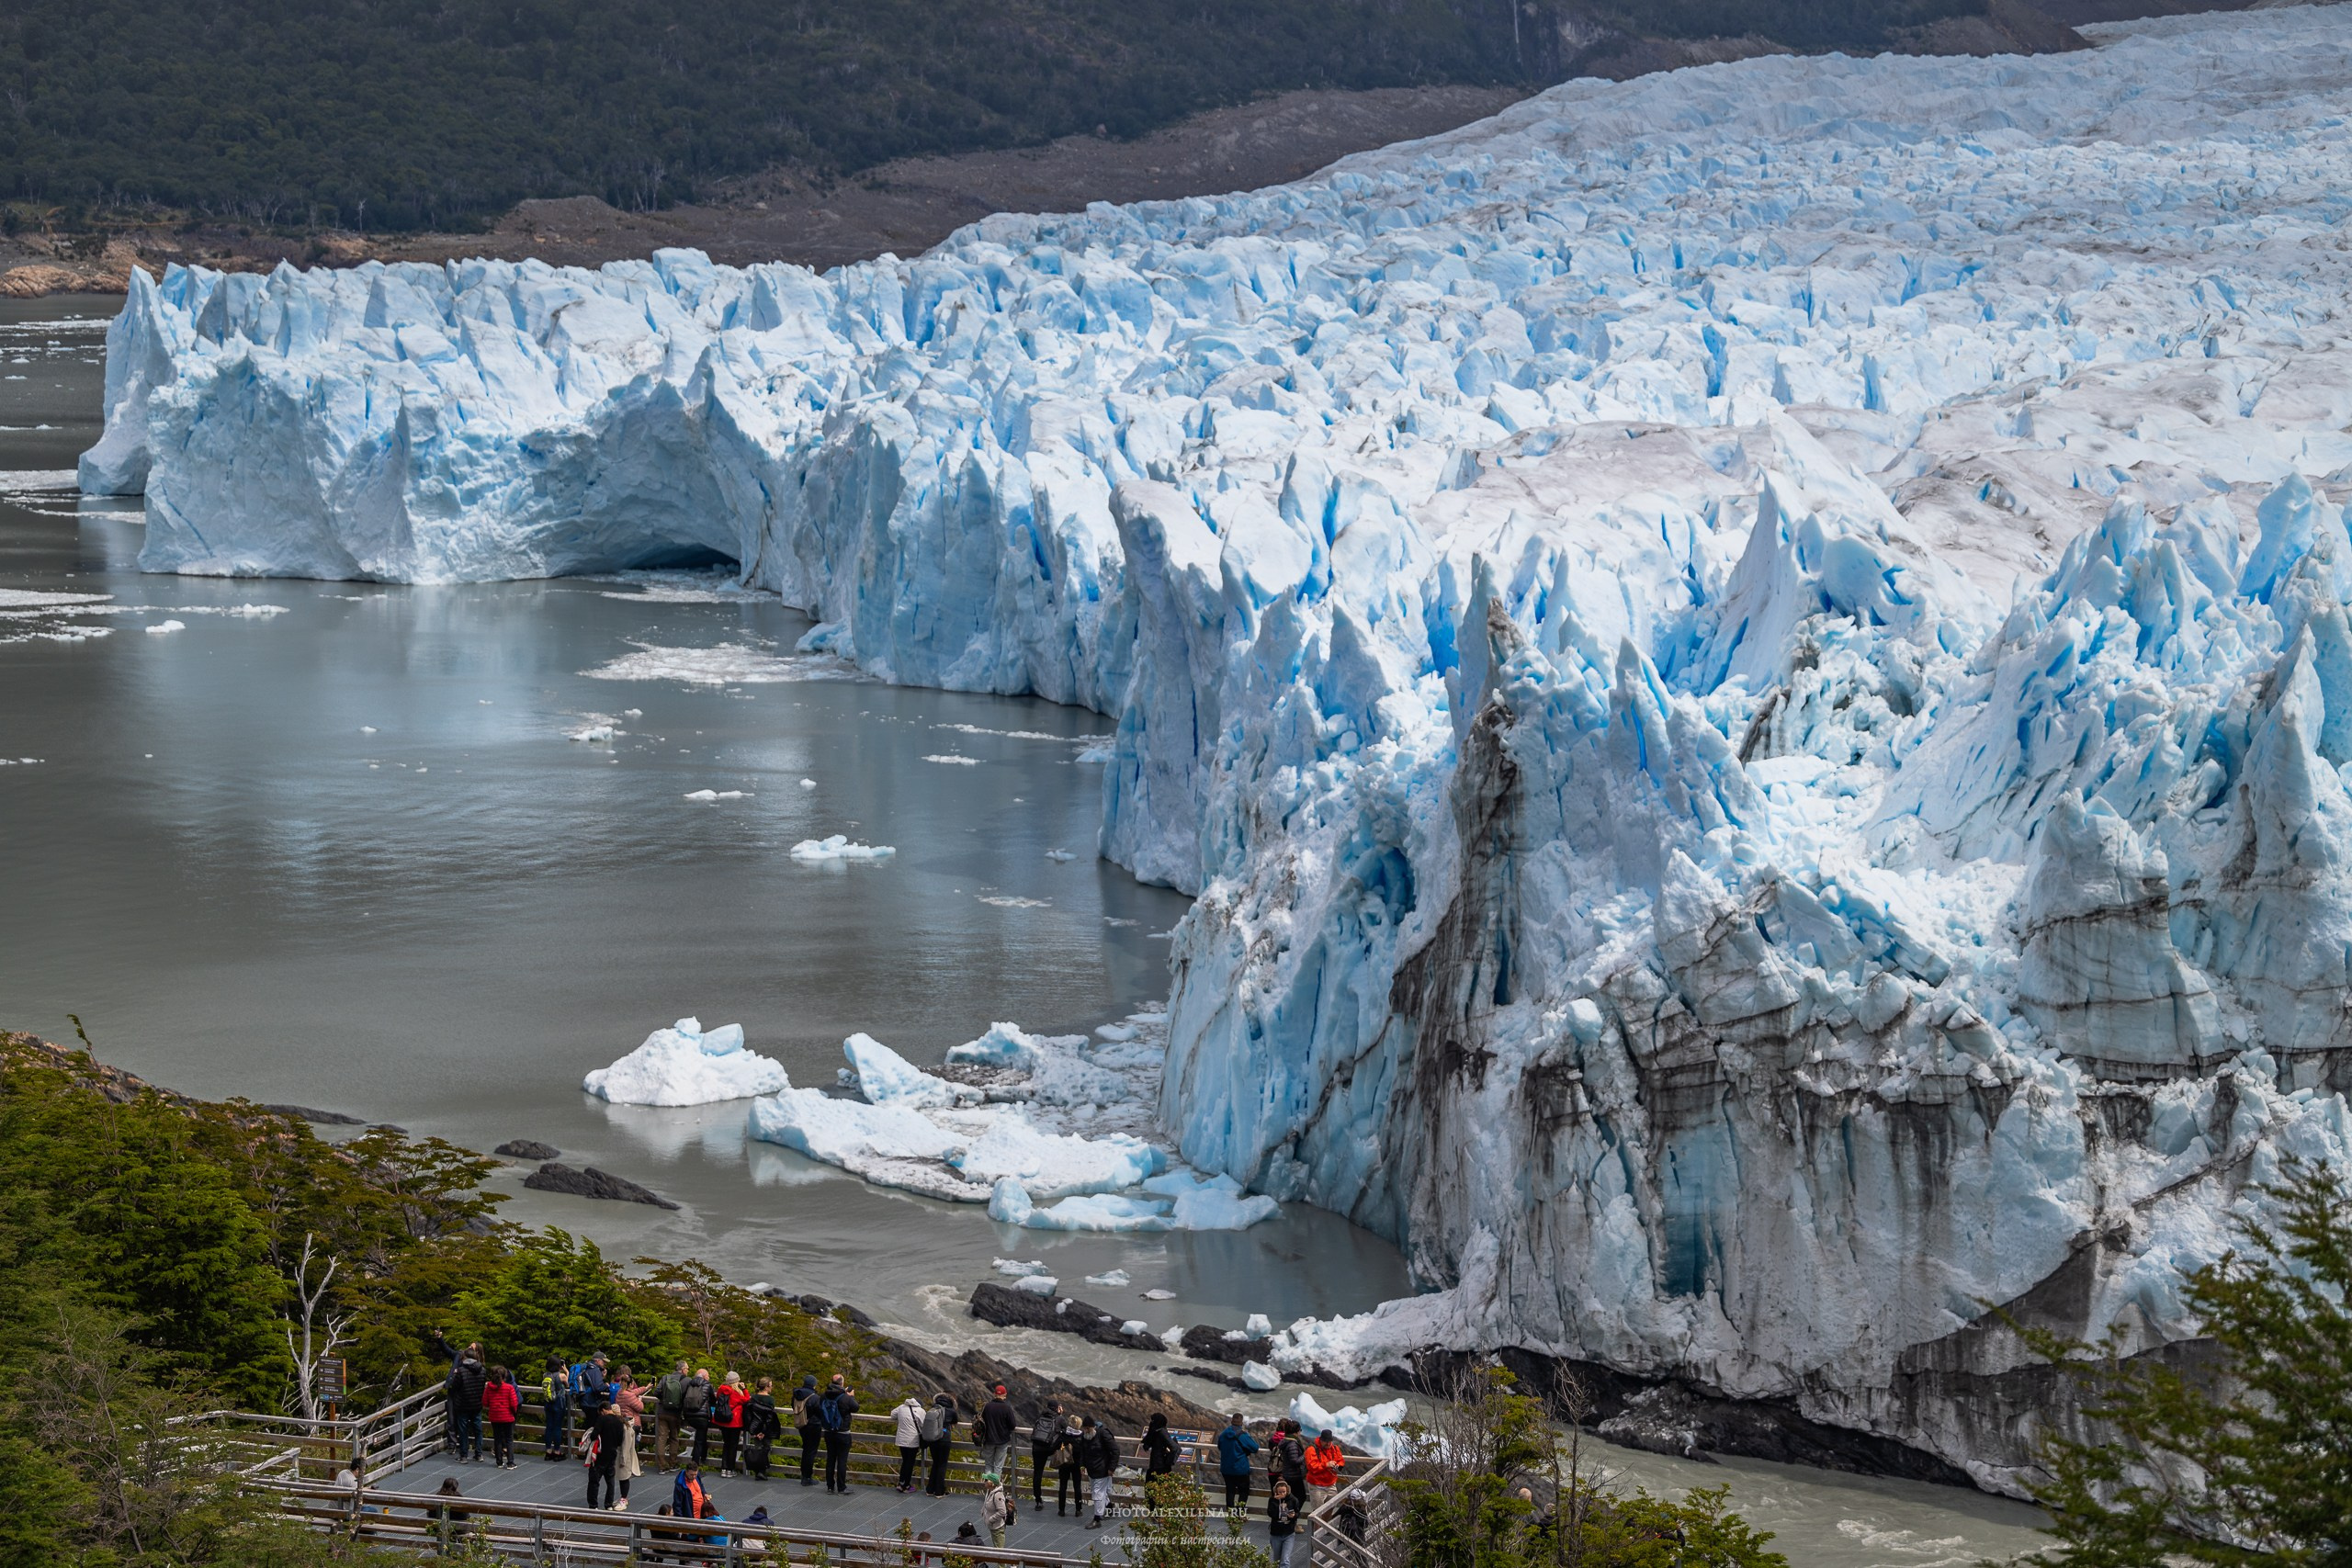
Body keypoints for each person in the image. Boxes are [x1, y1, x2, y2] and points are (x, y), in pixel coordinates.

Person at [818, 1373, 859, 1493]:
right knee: (842, 1461)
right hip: (843, 1433)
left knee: (830, 1459)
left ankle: (830, 1487)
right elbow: (856, 1407)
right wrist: (851, 1396)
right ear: (841, 1383)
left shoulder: (824, 1395)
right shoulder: (846, 1398)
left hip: (828, 1432)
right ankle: (841, 1488)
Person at [444, 1348, 486, 1461]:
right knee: (478, 1430)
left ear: (465, 1358)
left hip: (463, 1405)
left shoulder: (461, 1371)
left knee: (463, 1431)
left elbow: (455, 1386)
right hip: (477, 1404)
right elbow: (482, 1386)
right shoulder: (482, 1370)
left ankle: (464, 1455)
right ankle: (479, 1454)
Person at [613, 1368, 646, 1509]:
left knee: (625, 1451)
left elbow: (634, 1392)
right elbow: (640, 1407)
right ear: (631, 1384)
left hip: (622, 1424)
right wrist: (640, 1400)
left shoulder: (620, 1393)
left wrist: (646, 1388)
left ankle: (631, 1467)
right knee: (629, 1451)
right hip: (632, 1425)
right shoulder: (630, 1395)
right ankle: (624, 1496)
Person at [1080, 1416, 1118, 1529]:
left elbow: (1115, 1450)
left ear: (1093, 1427)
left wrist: (1112, 1468)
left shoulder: (1103, 1434)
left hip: (1103, 1469)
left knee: (1097, 1493)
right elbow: (1082, 1451)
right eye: (1084, 1428)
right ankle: (1109, 1506)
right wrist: (1082, 1465)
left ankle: (1097, 1519)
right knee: (1099, 1492)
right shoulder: (1085, 1437)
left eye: (1087, 1429)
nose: (1085, 1431)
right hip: (1091, 1469)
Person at [1216, 1413, 1260, 1510]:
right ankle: (1239, 1514)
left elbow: (1219, 1446)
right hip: (1240, 1469)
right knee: (1243, 1492)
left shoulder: (1223, 1434)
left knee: (1230, 1491)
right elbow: (1255, 1448)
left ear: (1231, 1421)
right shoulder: (1242, 1435)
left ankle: (1230, 1514)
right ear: (1241, 1423)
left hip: (1226, 1468)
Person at [976, 1382, 1018, 1483]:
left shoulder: (987, 1406)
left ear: (994, 1394)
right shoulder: (1007, 1408)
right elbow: (1012, 1425)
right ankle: (995, 1489)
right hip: (1002, 1440)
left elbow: (983, 1422)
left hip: (989, 1439)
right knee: (998, 1467)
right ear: (1005, 1394)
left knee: (988, 1465)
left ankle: (988, 1490)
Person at [587, 1402, 626, 1511]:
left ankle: (593, 1505)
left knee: (594, 1480)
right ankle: (608, 1504)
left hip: (600, 1454)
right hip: (612, 1453)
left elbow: (594, 1435)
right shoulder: (619, 1422)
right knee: (610, 1481)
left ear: (603, 1410)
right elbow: (619, 1441)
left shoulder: (602, 1420)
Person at [481, 1365, 521, 1470]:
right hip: (507, 1416)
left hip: (494, 1416)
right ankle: (510, 1462)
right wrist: (513, 1412)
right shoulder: (509, 1388)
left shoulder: (489, 1387)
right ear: (504, 1376)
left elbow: (485, 1402)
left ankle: (499, 1462)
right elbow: (514, 1403)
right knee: (509, 1439)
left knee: (497, 1439)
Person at [654, 1359, 691, 1471]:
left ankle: (661, 1466)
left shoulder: (665, 1377)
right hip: (675, 1414)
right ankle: (672, 1463)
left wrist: (665, 1401)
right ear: (683, 1369)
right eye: (688, 1368)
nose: (688, 1371)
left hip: (662, 1411)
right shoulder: (687, 1380)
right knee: (674, 1438)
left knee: (661, 1438)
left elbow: (656, 1392)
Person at [1028, 1397, 1064, 1511]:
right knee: (1063, 1473)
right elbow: (1067, 1430)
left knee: (1037, 1474)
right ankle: (1062, 1503)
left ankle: (1038, 1500)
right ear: (1057, 1408)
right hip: (1051, 1448)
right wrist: (1061, 1414)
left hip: (1037, 1447)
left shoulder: (1040, 1416)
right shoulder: (1059, 1418)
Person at [922, 1393, 958, 1496]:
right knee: (942, 1465)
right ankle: (939, 1491)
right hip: (944, 1439)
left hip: (933, 1440)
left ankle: (930, 1490)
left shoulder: (933, 1409)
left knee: (935, 1463)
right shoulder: (951, 1411)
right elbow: (955, 1421)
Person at [714, 1371, 749, 1478]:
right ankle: (730, 1469)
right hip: (734, 1422)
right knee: (733, 1446)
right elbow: (747, 1400)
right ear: (735, 1382)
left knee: (726, 1444)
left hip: (723, 1422)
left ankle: (723, 1469)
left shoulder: (721, 1390)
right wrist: (744, 1389)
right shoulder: (736, 1393)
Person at [892, 1392, 927, 1492]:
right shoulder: (920, 1411)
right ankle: (905, 1486)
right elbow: (924, 1425)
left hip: (901, 1440)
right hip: (913, 1440)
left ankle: (901, 1483)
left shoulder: (901, 1407)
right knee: (909, 1463)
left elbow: (892, 1415)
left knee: (905, 1461)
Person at [747, 1376, 780, 1481]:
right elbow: (770, 1416)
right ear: (767, 1387)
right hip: (766, 1429)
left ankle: (757, 1472)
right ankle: (762, 1471)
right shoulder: (770, 1399)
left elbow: (749, 1415)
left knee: (758, 1448)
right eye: (770, 1385)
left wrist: (754, 1430)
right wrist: (764, 1431)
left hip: (755, 1427)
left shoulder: (753, 1398)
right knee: (766, 1448)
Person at [791, 1373, 821, 1486]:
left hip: (801, 1425)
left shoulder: (796, 1395)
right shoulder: (814, 1397)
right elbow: (820, 1411)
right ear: (813, 1385)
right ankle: (807, 1477)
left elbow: (793, 1406)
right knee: (811, 1452)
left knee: (806, 1450)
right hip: (813, 1426)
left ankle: (804, 1475)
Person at [1051, 1416, 1084, 1517]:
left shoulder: (1064, 1435)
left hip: (1064, 1462)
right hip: (1077, 1464)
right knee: (1077, 1486)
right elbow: (1085, 1451)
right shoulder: (1081, 1437)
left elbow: (1054, 1446)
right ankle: (1078, 1510)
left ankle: (1061, 1510)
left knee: (1063, 1486)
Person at [540, 1358, 571, 1461]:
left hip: (548, 1403)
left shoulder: (545, 1375)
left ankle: (548, 1451)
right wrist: (566, 1371)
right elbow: (568, 1385)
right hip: (559, 1403)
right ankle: (557, 1452)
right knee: (557, 1427)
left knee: (549, 1426)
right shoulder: (561, 1376)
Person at [684, 1366, 715, 1467]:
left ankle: (703, 1457)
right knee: (699, 1441)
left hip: (689, 1416)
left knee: (700, 1438)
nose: (709, 1377)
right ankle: (695, 1465)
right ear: (705, 1376)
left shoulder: (689, 1383)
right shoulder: (707, 1384)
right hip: (702, 1417)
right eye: (708, 1375)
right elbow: (713, 1400)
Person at [1268, 1478, 1301, 1568]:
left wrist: (1293, 1515)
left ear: (1287, 1490)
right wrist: (1278, 1505)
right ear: (1276, 1492)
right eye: (1280, 1492)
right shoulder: (1272, 1500)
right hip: (1276, 1533)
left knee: (1285, 1560)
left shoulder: (1293, 1499)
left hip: (1289, 1533)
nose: (1282, 1494)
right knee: (1277, 1560)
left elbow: (1298, 1513)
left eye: (1284, 1492)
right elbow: (1270, 1513)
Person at [1304, 1428, 1344, 1495]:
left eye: (1330, 1441)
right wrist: (1326, 1465)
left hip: (1331, 1484)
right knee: (1319, 1505)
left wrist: (1339, 1466)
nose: (1328, 1444)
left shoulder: (1335, 1448)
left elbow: (1340, 1460)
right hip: (1317, 1486)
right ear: (1321, 1440)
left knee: (1333, 1504)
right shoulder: (1312, 1450)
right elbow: (1311, 1467)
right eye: (1325, 1441)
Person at [1274, 1419, 1306, 1495]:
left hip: (1288, 1473)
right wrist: (1305, 1455)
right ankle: (1292, 1507)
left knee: (1293, 1496)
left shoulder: (1285, 1440)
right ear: (1296, 1431)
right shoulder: (1293, 1444)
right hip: (1294, 1475)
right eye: (1300, 1430)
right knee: (1301, 1497)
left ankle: (1291, 1507)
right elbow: (1295, 1461)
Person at [982, 1470, 1012, 1549]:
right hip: (993, 1526)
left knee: (999, 1550)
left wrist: (991, 1519)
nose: (984, 1482)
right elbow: (987, 1503)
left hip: (997, 1527)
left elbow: (1002, 1511)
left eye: (986, 1480)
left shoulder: (998, 1495)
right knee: (996, 1547)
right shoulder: (989, 1492)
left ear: (991, 1483)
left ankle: (1002, 1561)